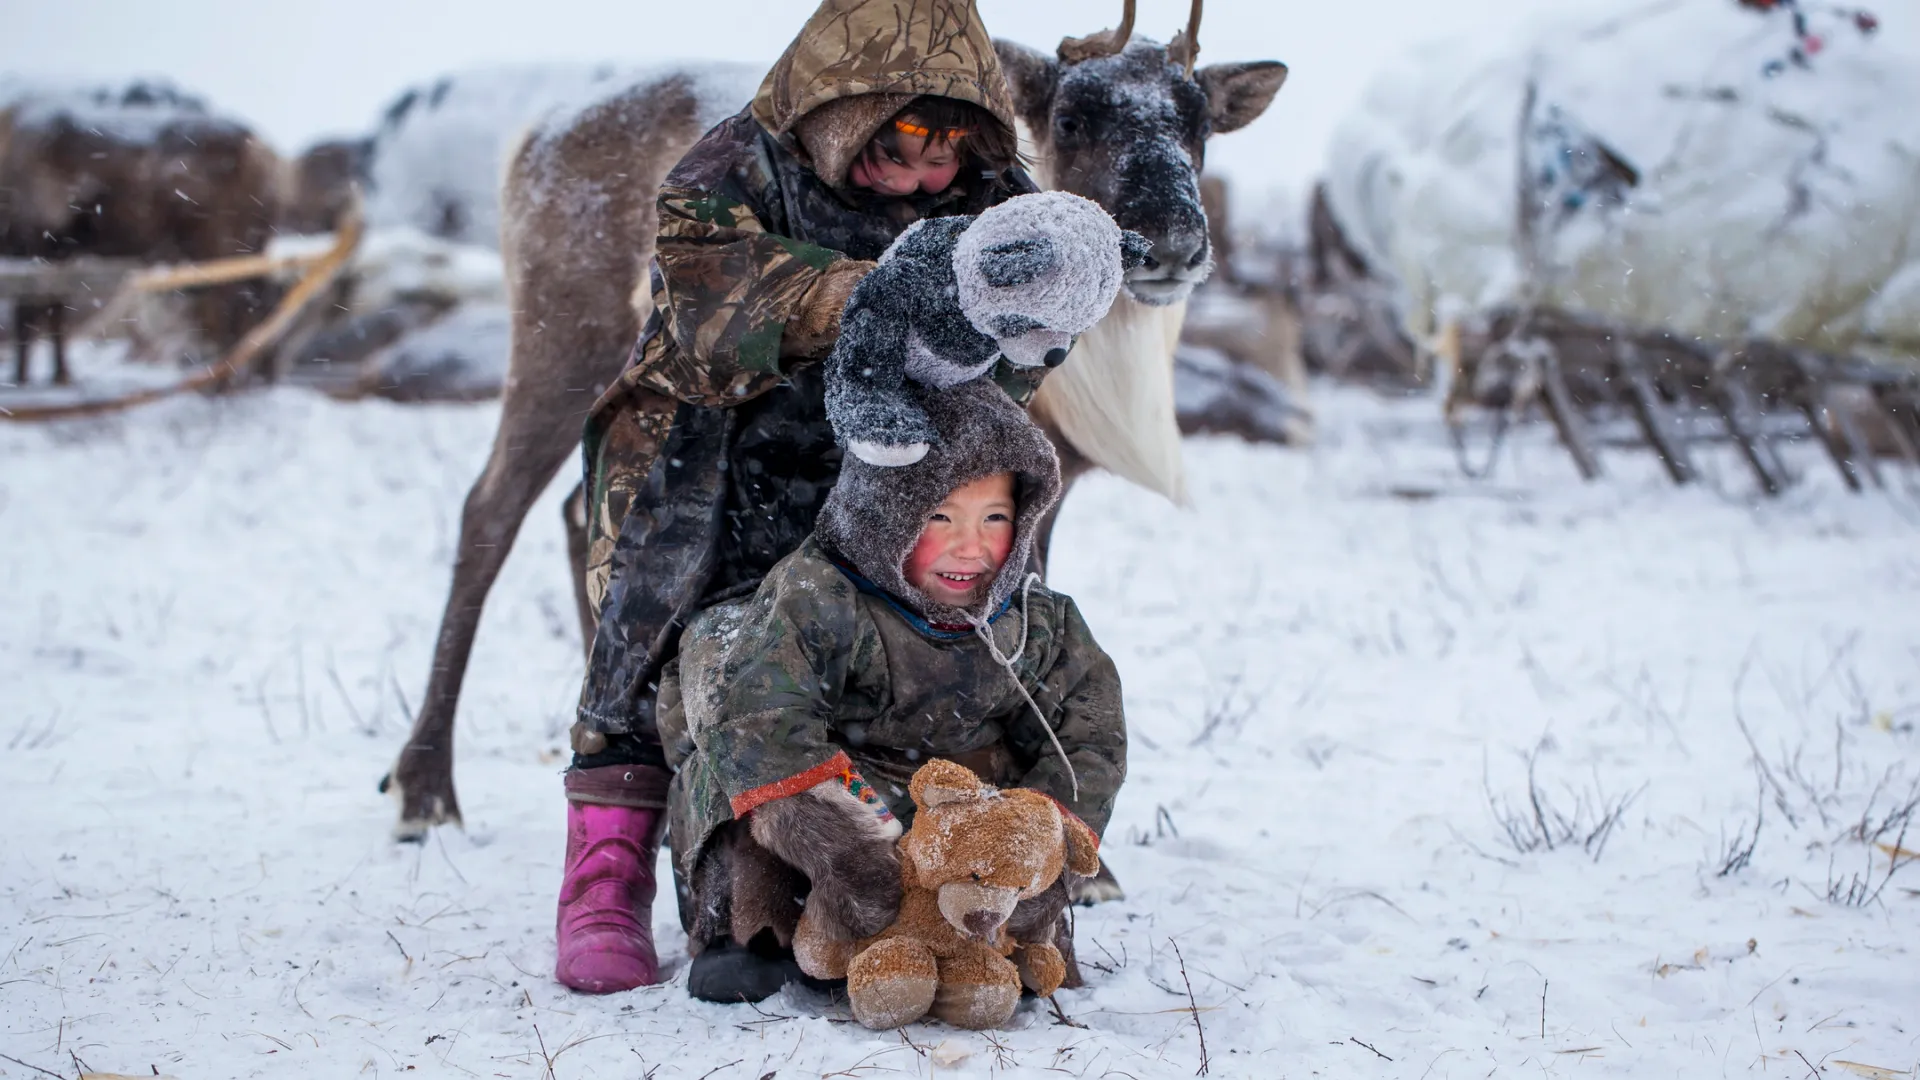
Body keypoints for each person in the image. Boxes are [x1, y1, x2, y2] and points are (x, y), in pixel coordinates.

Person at [555, 0, 1048, 995]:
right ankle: (609, 876)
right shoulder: (728, 169)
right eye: (903, 136)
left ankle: (952, 866)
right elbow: (708, 304)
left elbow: (1023, 339)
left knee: (924, 656)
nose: (923, 171)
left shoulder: (1001, 197)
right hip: (714, 448)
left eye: (951, 148)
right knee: (678, 654)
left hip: (886, 470)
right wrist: (877, 296)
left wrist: (1018, 325)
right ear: (840, 105)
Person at [656, 380, 1128, 1002]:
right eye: (940, 517)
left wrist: (1030, 849)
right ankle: (752, 935)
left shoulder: (1037, 625)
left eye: (995, 518)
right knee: (743, 782)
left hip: (957, 826)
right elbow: (762, 716)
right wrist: (851, 855)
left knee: (1004, 875)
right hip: (832, 804)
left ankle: (981, 939)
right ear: (886, 514)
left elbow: (1088, 739)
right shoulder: (818, 595)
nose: (970, 545)